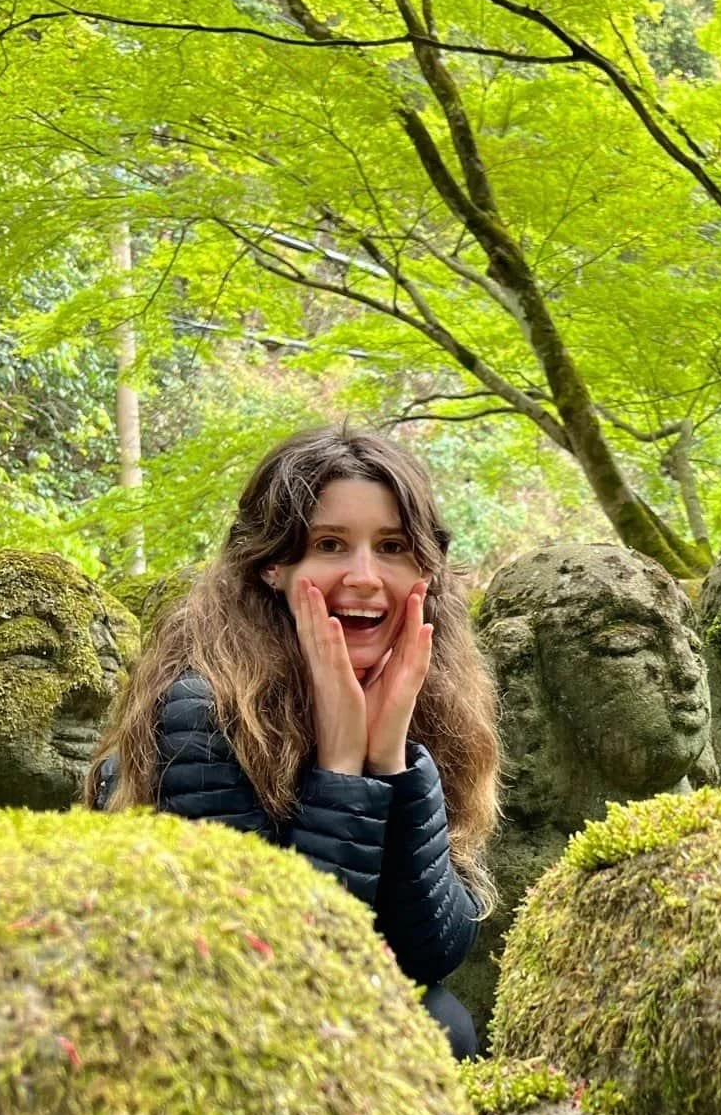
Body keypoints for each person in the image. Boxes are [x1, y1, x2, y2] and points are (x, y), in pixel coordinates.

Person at [88, 425, 498, 1059]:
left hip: (333, 1002)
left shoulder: (430, 694)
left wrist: (389, 758)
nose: (365, 577)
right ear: (275, 565)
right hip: (214, 1024)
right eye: (330, 544)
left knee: (442, 1022)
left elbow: (431, 952)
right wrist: (340, 765)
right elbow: (272, 965)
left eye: (391, 547)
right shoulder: (206, 709)